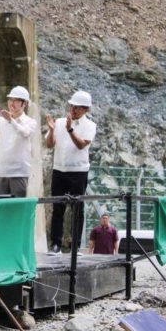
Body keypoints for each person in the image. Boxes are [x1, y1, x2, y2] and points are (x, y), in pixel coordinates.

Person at [45, 90, 97, 255]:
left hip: (78, 171)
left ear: (85, 110)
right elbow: (49, 144)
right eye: (72, 106)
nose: (73, 110)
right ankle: (55, 244)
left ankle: (75, 246)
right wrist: (52, 130)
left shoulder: (90, 125)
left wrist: (70, 130)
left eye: (77, 108)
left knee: (77, 209)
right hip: (59, 169)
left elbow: (82, 145)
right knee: (57, 207)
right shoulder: (60, 122)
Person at [0, 86, 38, 197]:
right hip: (1, 171)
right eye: (10, 99)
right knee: (0, 208)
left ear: (24, 104)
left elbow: (25, 133)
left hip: (19, 173)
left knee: (17, 208)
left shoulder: (30, 121)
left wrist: (11, 120)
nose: (12, 103)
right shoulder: (1, 120)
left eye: (16, 100)